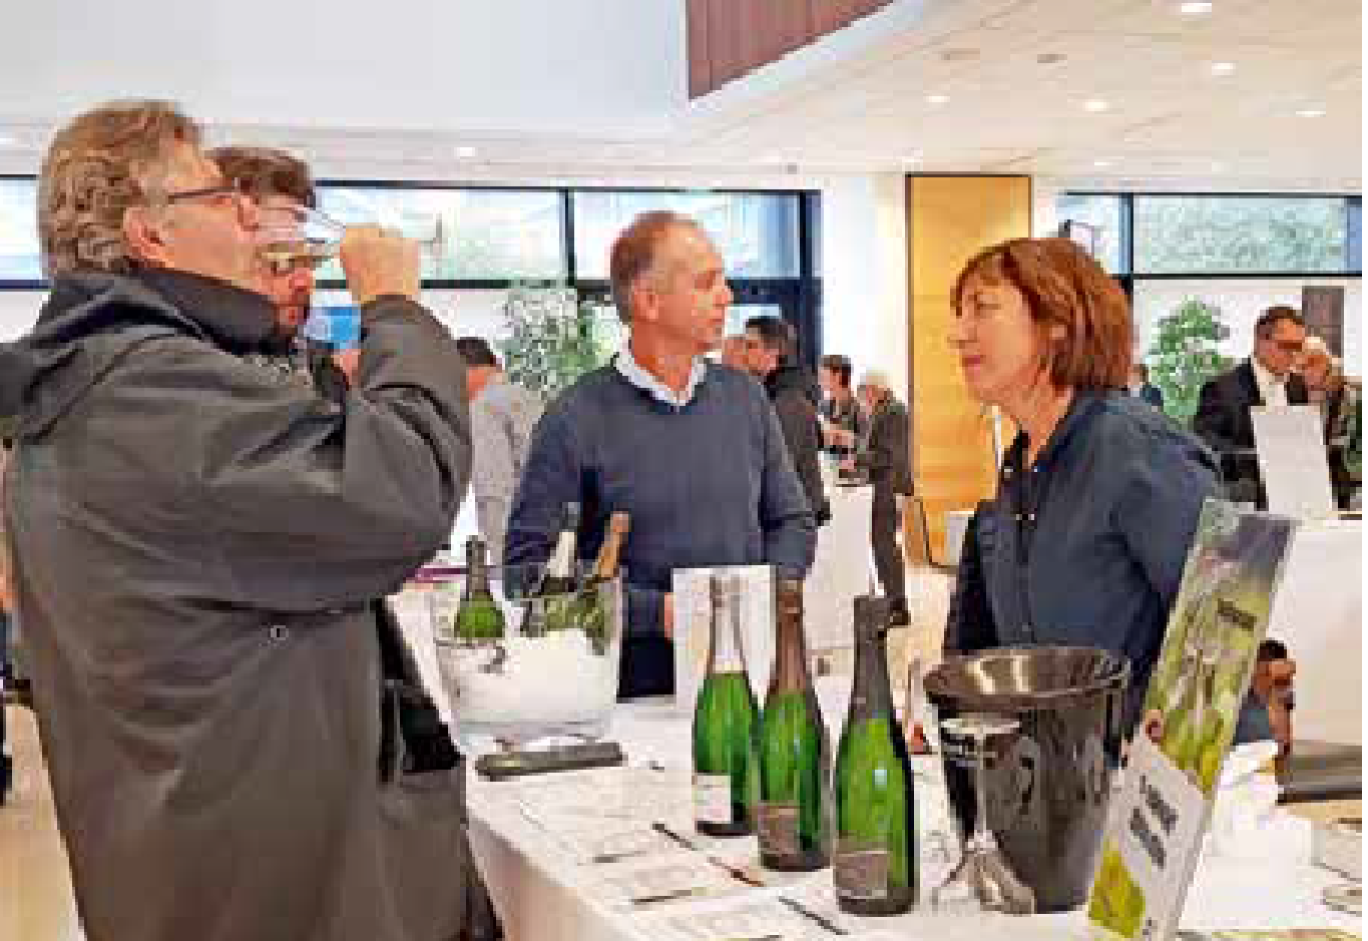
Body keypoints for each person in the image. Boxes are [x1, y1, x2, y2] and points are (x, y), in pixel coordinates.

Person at [0, 100, 476, 941]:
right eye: (220, 197)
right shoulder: (153, 394)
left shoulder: (111, 381)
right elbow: (403, 495)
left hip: (197, 852)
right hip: (258, 878)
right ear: (149, 235)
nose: (249, 216)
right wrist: (398, 309)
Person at [505, 210, 816, 698]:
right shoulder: (574, 418)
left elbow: (791, 521)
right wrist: (660, 614)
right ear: (649, 301)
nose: (727, 297)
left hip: (750, 680)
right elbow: (527, 575)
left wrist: (765, 598)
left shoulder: (746, 400)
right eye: (707, 282)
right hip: (627, 696)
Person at [944, 237, 1221, 731]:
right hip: (1057, 778)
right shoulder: (1021, 464)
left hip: (1147, 780)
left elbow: (1221, 635)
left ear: (1058, 323)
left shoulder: (1140, 451)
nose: (958, 333)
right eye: (959, 312)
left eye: (982, 309)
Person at [210, 145, 354, 397]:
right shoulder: (179, 377)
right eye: (277, 260)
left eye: (306, 261)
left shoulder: (304, 360)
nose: (304, 281)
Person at [1193, 306, 1309, 504]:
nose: (1294, 356)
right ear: (1260, 341)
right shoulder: (1222, 388)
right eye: (1286, 346)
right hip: (1244, 500)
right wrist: (1260, 454)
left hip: (1293, 497)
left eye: (1298, 347)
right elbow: (1206, 446)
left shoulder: (1298, 386)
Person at [456, 336, 543, 560]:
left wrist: (499, 556)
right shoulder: (527, 397)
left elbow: (493, 491)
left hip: (517, 539)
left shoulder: (483, 407)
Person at [741, 316, 829, 525]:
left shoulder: (788, 401)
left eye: (751, 346)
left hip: (790, 521)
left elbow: (780, 468)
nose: (743, 354)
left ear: (774, 352)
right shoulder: (774, 394)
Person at [845, 370, 913, 626]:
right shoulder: (882, 411)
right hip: (880, 487)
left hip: (888, 487)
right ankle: (891, 601)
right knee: (881, 546)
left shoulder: (893, 412)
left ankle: (899, 606)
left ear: (875, 389)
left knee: (885, 548)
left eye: (864, 390)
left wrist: (859, 460)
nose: (862, 397)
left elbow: (888, 455)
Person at [818, 353, 867, 460]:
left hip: (851, 472)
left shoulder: (860, 408)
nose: (819, 381)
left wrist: (851, 440)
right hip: (827, 469)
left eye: (823, 376)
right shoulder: (823, 405)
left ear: (838, 376)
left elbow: (871, 446)